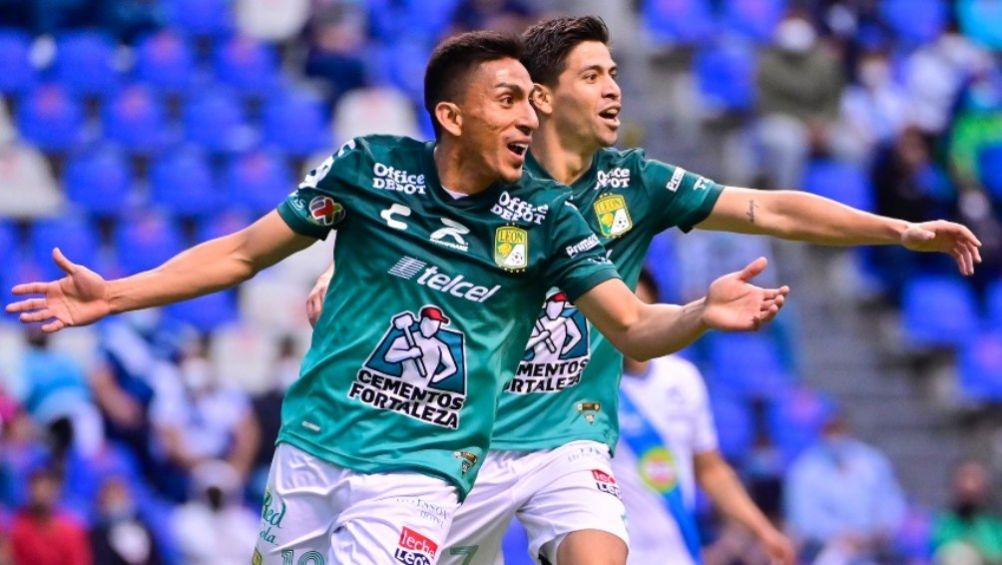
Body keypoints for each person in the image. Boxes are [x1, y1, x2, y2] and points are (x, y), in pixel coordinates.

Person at [6, 30, 789, 564]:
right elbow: (243, 253)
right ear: (451, 116)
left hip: (421, 472)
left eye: (532, 100)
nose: (529, 117)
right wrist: (117, 295)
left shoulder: (549, 218)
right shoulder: (369, 168)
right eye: (509, 100)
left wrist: (697, 313)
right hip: (314, 444)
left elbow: (634, 324)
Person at [307, 16, 981, 565]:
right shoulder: (492, 181)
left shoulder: (636, 184)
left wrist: (898, 229)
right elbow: (406, 233)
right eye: (593, 76)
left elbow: (771, 209)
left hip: (569, 442)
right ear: (542, 97)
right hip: (462, 445)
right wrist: (336, 270)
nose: (613, 91)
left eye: (615, 75)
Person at [614, 271, 793, 565]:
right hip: (612, 554)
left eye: (642, 312)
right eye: (620, 316)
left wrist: (763, 531)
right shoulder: (585, 386)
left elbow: (711, 470)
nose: (630, 327)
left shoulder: (682, 378)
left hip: (678, 553)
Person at [785, 411, 906, 563]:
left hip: (875, 546)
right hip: (826, 547)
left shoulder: (873, 462)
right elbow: (804, 519)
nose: (835, 437)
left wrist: (878, 532)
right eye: (830, 430)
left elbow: (891, 502)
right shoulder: (805, 470)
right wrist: (841, 535)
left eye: (839, 429)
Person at [932, 460, 1002, 564]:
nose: (969, 486)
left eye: (974, 478)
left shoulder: (995, 525)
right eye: (964, 477)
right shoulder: (941, 523)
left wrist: (980, 550)